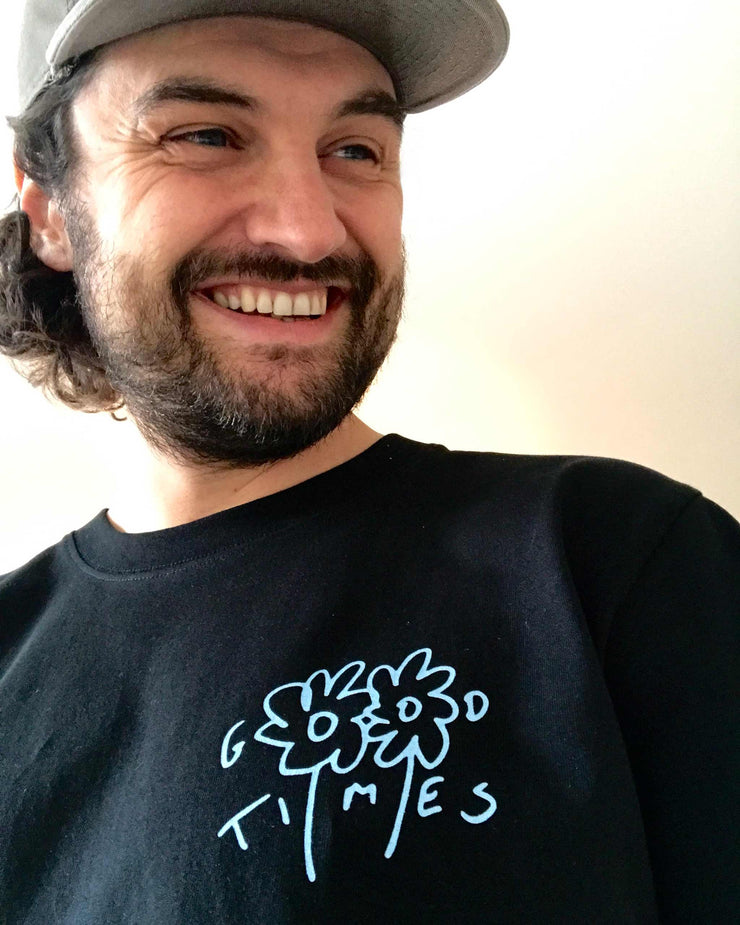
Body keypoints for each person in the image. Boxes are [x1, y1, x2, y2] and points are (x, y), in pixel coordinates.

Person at [0, 1, 737, 921]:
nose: (308, 232)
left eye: (355, 149)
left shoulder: (621, 561)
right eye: (206, 136)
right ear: (50, 213)